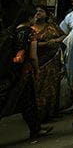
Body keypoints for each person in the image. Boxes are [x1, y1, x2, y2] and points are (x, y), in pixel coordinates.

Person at [1, 8, 53, 142]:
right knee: (29, 101)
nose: (36, 18)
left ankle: (36, 128)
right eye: (34, 16)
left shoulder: (12, 31)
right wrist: (36, 70)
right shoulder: (30, 32)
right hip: (25, 72)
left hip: (12, 71)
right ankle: (35, 130)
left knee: (15, 100)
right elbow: (33, 56)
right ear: (29, 18)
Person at [31, 8, 65, 123]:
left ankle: (52, 112)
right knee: (39, 87)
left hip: (53, 61)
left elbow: (63, 35)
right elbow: (31, 44)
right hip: (39, 61)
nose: (38, 13)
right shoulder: (32, 28)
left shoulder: (52, 26)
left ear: (46, 14)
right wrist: (46, 44)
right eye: (37, 11)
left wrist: (56, 41)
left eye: (41, 11)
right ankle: (39, 114)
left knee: (52, 86)